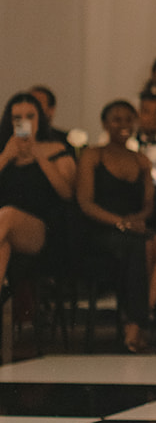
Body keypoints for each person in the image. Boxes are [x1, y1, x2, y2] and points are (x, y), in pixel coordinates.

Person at [75, 100, 156, 353]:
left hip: (133, 226)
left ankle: (135, 324)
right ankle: (137, 326)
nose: (123, 125)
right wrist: (120, 223)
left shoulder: (141, 160)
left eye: (128, 119)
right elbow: (85, 203)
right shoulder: (92, 155)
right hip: (101, 227)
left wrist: (135, 220)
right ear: (105, 123)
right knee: (143, 246)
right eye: (116, 119)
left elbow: (149, 204)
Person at [0, 91, 76, 292]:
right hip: (6, 229)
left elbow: (67, 193)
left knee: (7, 215)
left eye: (30, 116)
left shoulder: (56, 148)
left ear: (39, 119)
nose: (24, 122)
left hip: (43, 229)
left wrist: (39, 156)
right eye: (17, 118)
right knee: (3, 245)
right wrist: (6, 157)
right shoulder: (4, 150)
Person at [28, 85, 70, 150]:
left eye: (38, 104)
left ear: (51, 110)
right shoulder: (11, 138)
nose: (32, 108)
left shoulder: (66, 141)